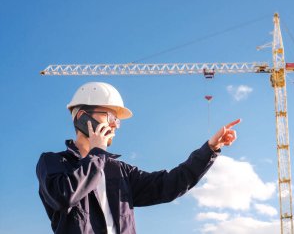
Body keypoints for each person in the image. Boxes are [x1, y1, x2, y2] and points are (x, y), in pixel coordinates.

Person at [36, 82, 240, 234]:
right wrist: (97, 153)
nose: (116, 125)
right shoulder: (53, 162)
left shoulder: (120, 171)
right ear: (82, 117)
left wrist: (210, 149)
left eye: (118, 120)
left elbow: (170, 184)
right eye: (111, 117)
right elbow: (65, 196)